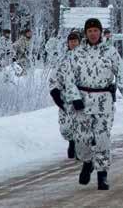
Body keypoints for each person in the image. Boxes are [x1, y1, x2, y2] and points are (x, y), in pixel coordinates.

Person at [59, 18, 123, 191]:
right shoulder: (77, 53)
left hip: (103, 101)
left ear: (100, 32)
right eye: (90, 31)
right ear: (86, 33)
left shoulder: (110, 51)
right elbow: (68, 78)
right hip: (83, 101)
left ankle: (102, 174)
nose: (93, 33)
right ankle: (87, 161)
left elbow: (122, 75)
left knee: (102, 139)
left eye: (96, 30)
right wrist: (74, 97)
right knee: (82, 139)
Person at [48, 30, 80, 159]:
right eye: (71, 41)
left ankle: (79, 145)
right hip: (66, 97)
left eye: (75, 41)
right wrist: (55, 91)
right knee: (65, 127)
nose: (73, 43)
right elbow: (54, 77)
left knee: (81, 123)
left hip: (81, 96)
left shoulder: (85, 57)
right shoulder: (63, 59)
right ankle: (72, 140)